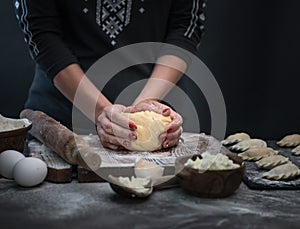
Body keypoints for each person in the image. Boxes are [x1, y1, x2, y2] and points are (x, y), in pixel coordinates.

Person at [14, 0, 206, 150]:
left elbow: (185, 25)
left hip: (159, 128)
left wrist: (145, 110)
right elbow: (41, 32)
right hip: (61, 130)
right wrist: (101, 112)